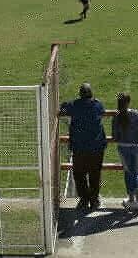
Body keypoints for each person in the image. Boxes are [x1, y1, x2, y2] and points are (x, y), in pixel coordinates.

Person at [59, 83, 107, 211]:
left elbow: (64, 107)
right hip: (96, 148)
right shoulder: (97, 104)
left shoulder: (75, 105)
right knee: (95, 174)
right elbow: (102, 111)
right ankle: (94, 199)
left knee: (79, 174)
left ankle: (84, 199)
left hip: (80, 148)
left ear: (80, 94)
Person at [112, 93, 138, 210]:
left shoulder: (116, 116)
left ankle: (131, 199)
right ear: (128, 102)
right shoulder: (134, 114)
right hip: (136, 147)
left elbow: (114, 136)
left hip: (123, 148)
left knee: (128, 172)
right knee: (136, 172)